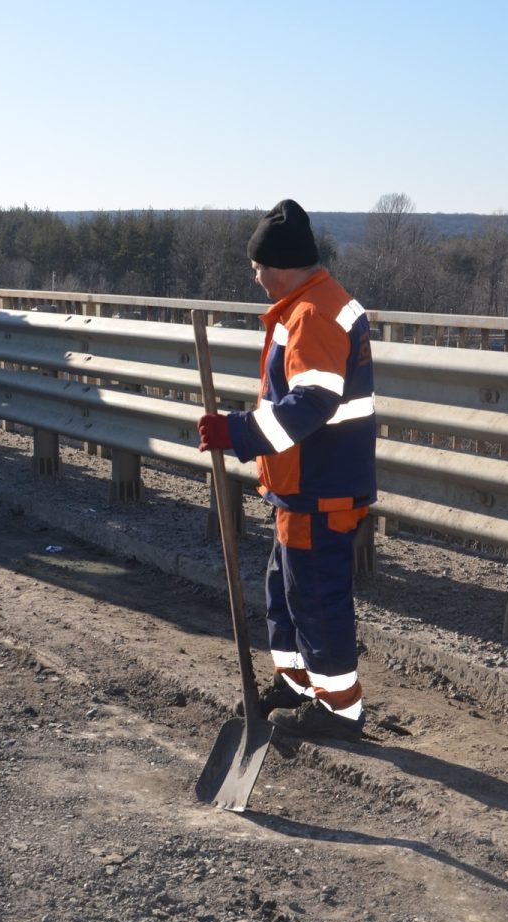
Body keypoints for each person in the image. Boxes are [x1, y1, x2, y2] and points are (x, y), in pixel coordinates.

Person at [196, 199, 377, 740]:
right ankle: (297, 684)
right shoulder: (305, 305)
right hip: (302, 485)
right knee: (287, 592)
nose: (254, 278)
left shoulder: (314, 314)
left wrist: (238, 433)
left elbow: (311, 404)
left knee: (317, 597)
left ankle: (339, 709)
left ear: (276, 265)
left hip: (321, 484)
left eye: (256, 268)